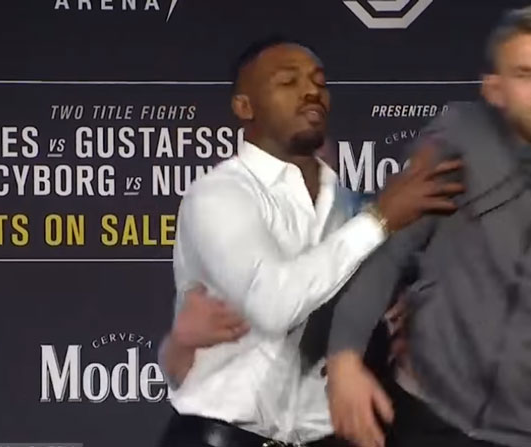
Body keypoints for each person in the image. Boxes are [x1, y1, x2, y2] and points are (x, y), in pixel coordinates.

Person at [326, 5, 531, 447]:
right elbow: (390, 252)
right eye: (525, 74)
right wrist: (344, 357)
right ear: (496, 90)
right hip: (422, 419)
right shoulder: (457, 140)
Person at [158, 35, 463, 447]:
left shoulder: (351, 209)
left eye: (319, 81)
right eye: (288, 81)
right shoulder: (219, 195)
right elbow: (274, 305)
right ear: (244, 106)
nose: (310, 91)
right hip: (222, 437)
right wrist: (380, 220)